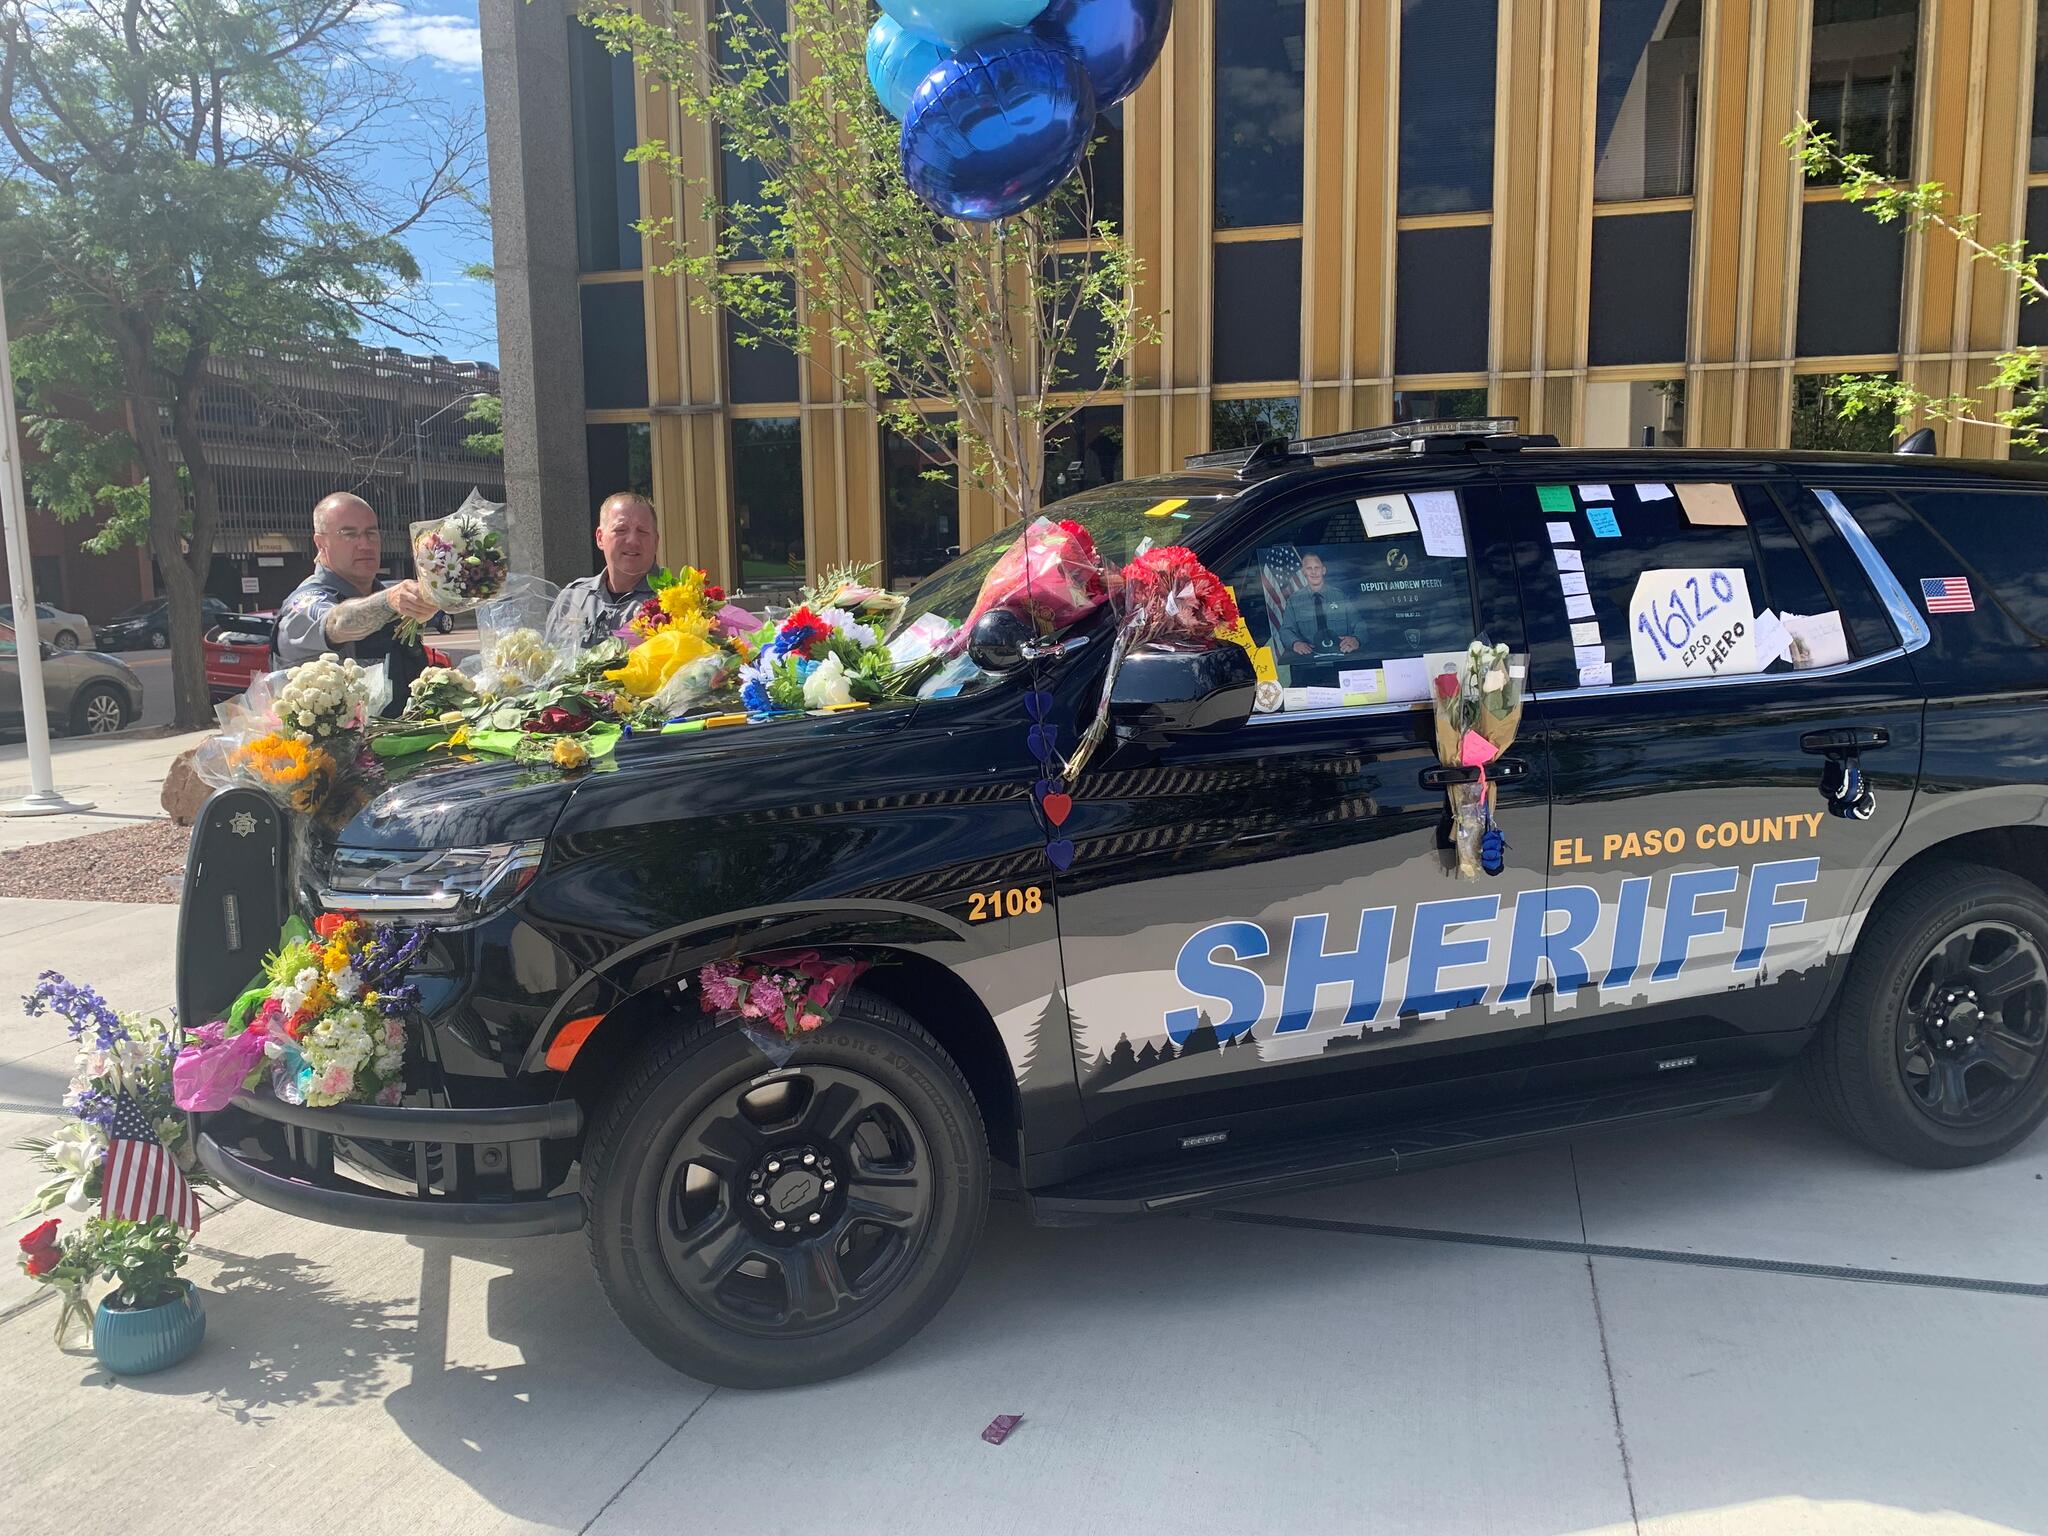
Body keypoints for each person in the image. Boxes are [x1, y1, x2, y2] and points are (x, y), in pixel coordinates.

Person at [273, 492, 438, 714]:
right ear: (321, 543)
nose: (365, 544)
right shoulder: (304, 602)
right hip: (338, 747)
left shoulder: (391, 596)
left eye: (371, 533)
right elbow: (336, 624)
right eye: (349, 534)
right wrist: (389, 602)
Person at [545, 493, 661, 649]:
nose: (633, 540)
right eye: (621, 530)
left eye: (642, 531)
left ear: (656, 541)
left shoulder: (674, 604)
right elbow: (548, 662)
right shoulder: (572, 598)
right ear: (600, 538)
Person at [1275, 552, 1364, 662]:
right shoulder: (1294, 601)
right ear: (1303, 572)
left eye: (1317, 567)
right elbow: (1286, 630)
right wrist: (1295, 643)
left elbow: (1359, 623)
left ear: (1324, 570)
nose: (1313, 572)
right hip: (1309, 661)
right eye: (1309, 568)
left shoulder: (1339, 596)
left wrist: (1357, 639)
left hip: (1341, 657)